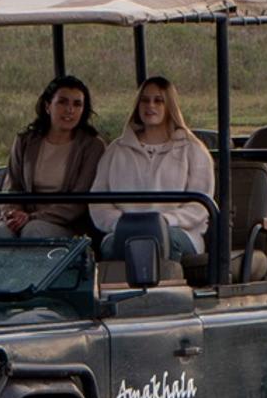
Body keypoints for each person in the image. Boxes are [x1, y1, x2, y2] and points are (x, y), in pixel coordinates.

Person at [88, 74, 214, 276]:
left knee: (161, 239)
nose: (150, 106)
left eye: (158, 101)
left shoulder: (192, 150)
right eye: (145, 100)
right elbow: (98, 201)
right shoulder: (116, 150)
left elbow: (199, 206)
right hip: (124, 229)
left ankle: (163, 297)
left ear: (169, 105)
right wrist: (120, 223)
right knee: (111, 245)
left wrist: (164, 221)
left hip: (178, 231)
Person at [0, 74, 105, 236]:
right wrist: (13, 213)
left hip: (64, 223)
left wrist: (32, 217)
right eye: (62, 102)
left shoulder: (92, 147)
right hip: (21, 218)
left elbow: (79, 201)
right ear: (47, 106)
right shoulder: (25, 141)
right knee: (1, 232)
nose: (70, 110)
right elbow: (12, 186)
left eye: (77, 104)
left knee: (34, 231)